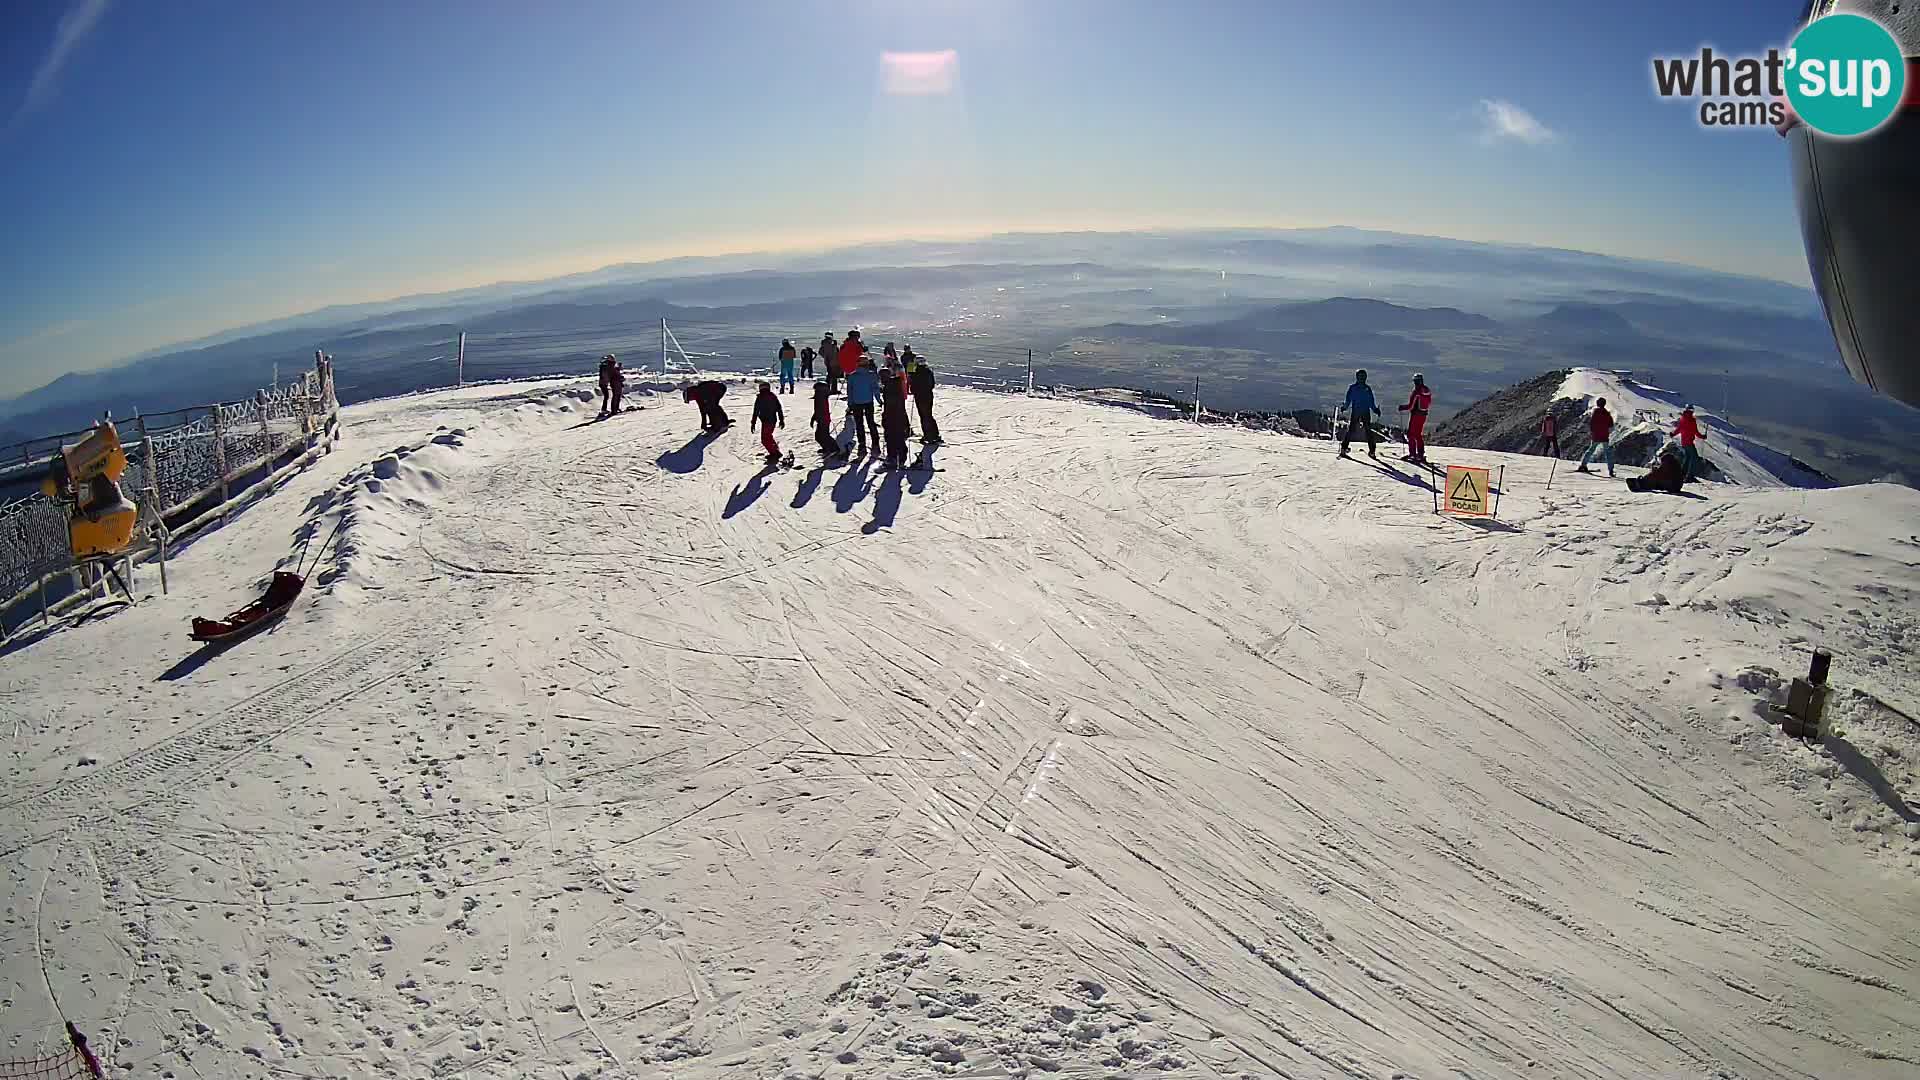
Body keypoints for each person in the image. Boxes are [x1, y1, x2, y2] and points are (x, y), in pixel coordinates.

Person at [1338, 369, 1380, 459]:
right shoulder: (1367, 389)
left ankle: (1344, 448)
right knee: (1368, 431)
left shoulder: (1352, 388)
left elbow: (1348, 400)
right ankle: (1372, 451)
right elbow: (1371, 402)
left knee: (1351, 430)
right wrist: (1375, 410)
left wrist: (1344, 408)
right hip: (1365, 412)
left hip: (1356, 411)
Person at [844, 357, 881, 454]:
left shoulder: (852, 376)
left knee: (859, 424)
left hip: (856, 402)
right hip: (868, 401)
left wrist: (850, 404)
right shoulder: (871, 375)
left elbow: (850, 391)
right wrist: (879, 400)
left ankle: (862, 444)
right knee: (871, 422)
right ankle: (876, 443)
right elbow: (875, 389)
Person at [880, 359, 912, 470]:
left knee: (892, 436)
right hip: (897, 414)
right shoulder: (896, 383)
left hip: (893, 415)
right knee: (897, 436)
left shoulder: (890, 387)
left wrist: (885, 416)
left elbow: (890, 404)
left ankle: (894, 457)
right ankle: (899, 457)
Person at [906, 347, 941, 444]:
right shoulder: (928, 371)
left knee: (924, 416)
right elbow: (932, 384)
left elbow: (913, 386)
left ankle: (928, 435)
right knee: (928, 415)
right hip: (929, 395)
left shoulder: (916, 373)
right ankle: (935, 434)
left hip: (920, 396)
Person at [1575, 397, 1616, 476]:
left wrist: (1592, 432)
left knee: (1591, 450)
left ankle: (1583, 465)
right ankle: (1610, 470)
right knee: (1608, 453)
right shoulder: (1607, 413)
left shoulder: (1595, 412)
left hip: (1596, 435)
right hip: (1604, 436)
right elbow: (1611, 425)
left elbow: (1592, 424)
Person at [1396, 373, 1431, 464]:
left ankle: (1412, 454)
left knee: (1411, 434)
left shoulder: (1417, 392)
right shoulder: (1426, 390)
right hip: (1423, 415)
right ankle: (1420, 454)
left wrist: (1402, 407)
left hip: (1416, 415)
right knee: (1418, 434)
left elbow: (1411, 406)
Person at [750, 380, 785, 461]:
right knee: (768, 437)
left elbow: (755, 411)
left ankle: (774, 453)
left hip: (766, 421)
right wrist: (781, 420)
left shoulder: (760, 398)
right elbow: (779, 409)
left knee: (765, 439)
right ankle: (775, 451)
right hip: (772, 420)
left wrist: (753, 423)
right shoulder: (773, 397)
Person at [811, 380, 844, 460]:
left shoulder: (821, 398)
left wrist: (816, 418)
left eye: (816, 390)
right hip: (821, 419)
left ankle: (834, 449)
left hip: (823, 419)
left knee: (823, 436)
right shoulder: (820, 397)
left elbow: (820, 410)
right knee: (819, 436)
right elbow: (817, 410)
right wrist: (814, 418)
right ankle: (827, 448)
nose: (815, 391)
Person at [1672, 406, 1705, 481]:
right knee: (1694, 458)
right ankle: (1689, 476)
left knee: (1688, 458)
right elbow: (1695, 432)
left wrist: (1673, 434)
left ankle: (1682, 474)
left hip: (1684, 442)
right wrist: (1702, 436)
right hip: (1689, 442)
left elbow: (1678, 429)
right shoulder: (1692, 420)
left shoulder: (1683, 419)